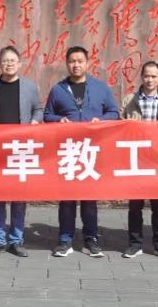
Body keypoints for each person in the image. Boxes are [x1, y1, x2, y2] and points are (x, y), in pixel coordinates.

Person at [43, 46, 120, 258]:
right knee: (67, 199)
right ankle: (65, 240)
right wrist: (59, 119)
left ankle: (91, 239)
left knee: (89, 198)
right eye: (72, 61)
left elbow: (114, 112)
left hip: (91, 150)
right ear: (67, 64)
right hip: (67, 151)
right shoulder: (58, 89)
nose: (76, 65)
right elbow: (47, 115)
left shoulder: (100, 88)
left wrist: (100, 120)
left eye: (80, 61)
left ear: (87, 63)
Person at [0, 46, 44, 258]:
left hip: (20, 149)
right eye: (5, 61)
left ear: (19, 63)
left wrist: (35, 122)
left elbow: (38, 109)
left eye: (12, 60)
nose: (9, 64)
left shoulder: (29, 87)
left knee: (19, 197)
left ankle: (16, 240)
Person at [120, 60, 158, 260]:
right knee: (135, 205)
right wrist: (126, 124)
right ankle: (135, 244)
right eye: (146, 76)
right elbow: (118, 127)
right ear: (141, 77)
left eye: (154, 76)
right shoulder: (130, 100)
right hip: (136, 158)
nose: (150, 80)